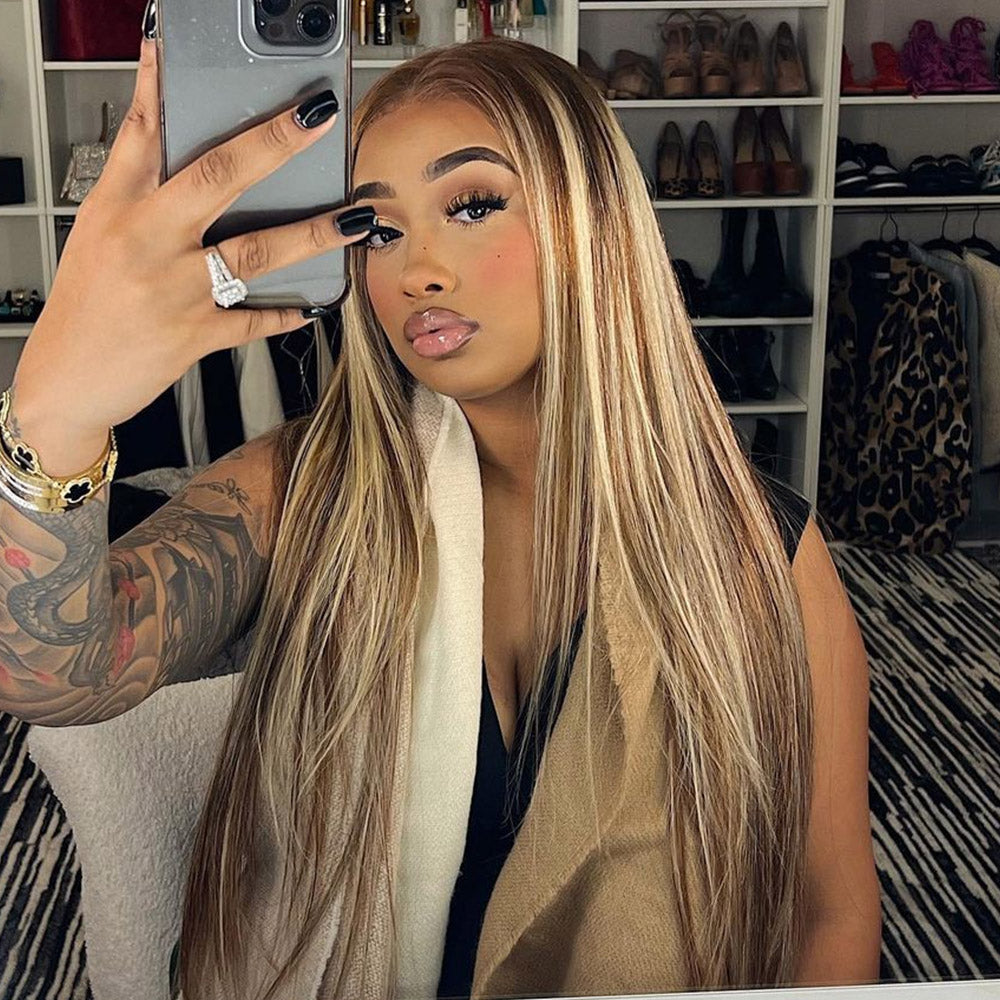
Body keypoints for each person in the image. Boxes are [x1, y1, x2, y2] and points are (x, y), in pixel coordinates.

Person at [0, 6, 881, 998]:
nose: (416, 270)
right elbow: (53, 675)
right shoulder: (307, 489)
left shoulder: (758, 546)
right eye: (376, 228)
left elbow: (829, 905)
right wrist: (56, 413)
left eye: (470, 205)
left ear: (590, 219)